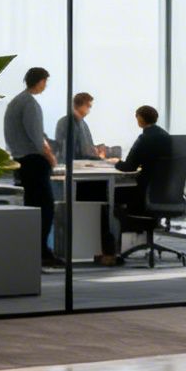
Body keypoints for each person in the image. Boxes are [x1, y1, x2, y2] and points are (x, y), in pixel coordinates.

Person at [4, 66, 65, 267]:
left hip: (22, 160)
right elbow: (38, 140)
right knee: (45, 207)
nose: (45, 86)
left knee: (33, 206)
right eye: (45, 82)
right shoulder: (29, 103)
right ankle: (42, 252)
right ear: (40, 81)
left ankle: (35, 251)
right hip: (34, 161)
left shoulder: (16, 102)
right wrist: (52, 160)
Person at [55, 93, 119, 265]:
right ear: (81, 104)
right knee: (104, 205)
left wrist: (98, 154)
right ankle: (106, 250)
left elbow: (86, 148)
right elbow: (76, 151)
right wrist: (99, 158)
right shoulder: (69, 122)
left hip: (85, 169)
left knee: (104, 205)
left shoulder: (80, 123)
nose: (89, 109)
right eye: (89, 106)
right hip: (80, 173)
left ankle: (106, 249)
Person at [112, 105, 171, 262]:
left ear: (140, 118)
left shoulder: (144, 138)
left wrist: (114, 163)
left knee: (111, 196)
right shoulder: (166, 137)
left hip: (144, 191)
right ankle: (141, 233)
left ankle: (114, 247)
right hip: (164, 192)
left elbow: (129, 166)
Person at [53, 92, 107, 162]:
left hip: (81, 164)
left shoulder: (83, 124)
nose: (89, 110)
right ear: (78, 105)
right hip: (72, 165)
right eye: (88, 106)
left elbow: (88, 148)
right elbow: (67, 151)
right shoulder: (65, 122)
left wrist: (96, 152)